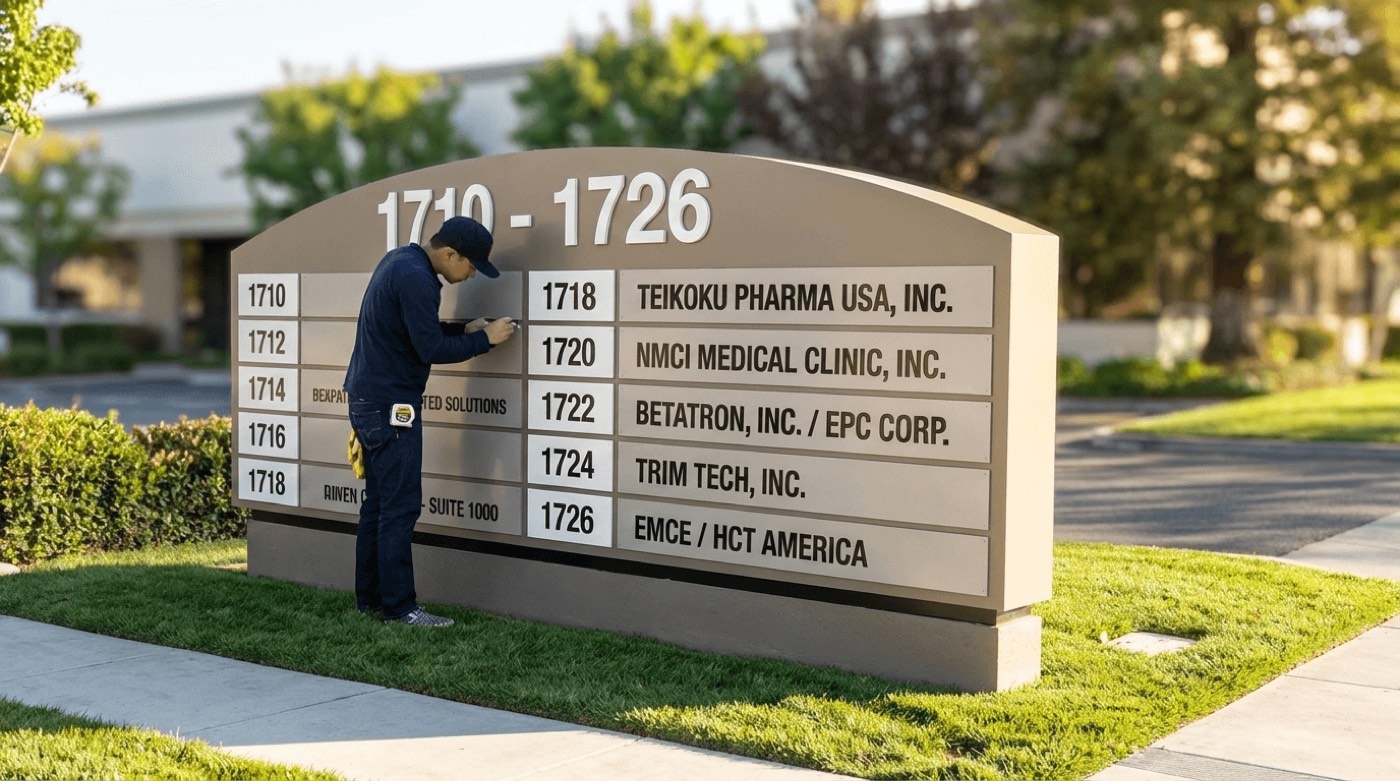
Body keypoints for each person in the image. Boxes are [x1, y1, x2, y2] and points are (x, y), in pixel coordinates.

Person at [343, 215, 517, 627]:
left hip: (368, 398)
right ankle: (402, 609)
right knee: (400, 507)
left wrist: (461, 327)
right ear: (449, 253)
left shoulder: (401, 261)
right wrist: (483, 341)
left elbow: (408, 327)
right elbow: (427, 348)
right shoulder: (418, 279)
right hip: (390, 407)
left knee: (380, 505)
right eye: (470, 265)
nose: (472, 274)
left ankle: (370, 602)